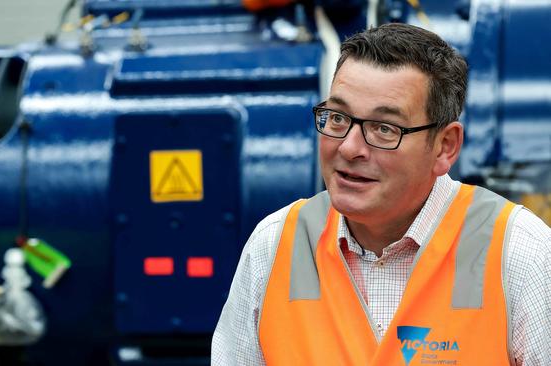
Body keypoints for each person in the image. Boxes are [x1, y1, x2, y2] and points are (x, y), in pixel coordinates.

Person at [212, 23, 550, 365]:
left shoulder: (519, 254)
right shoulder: (274, 246)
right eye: (339, 118)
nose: (349, 147)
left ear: (445, 147)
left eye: (385, 129)